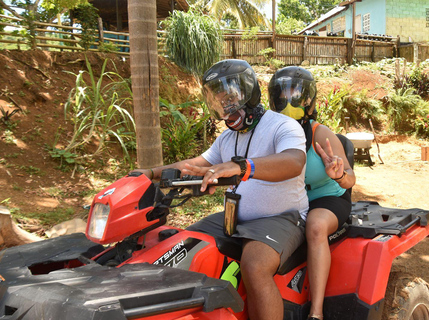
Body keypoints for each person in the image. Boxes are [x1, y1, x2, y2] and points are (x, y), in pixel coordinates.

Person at [133, 59, 309, 320]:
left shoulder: (282, 126)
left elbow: (294, 162)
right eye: (220, 100)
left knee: (255, 266)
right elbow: (194, 165)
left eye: (231, 97)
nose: (226, 106)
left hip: (282, 218)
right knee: (182, 246)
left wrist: (242, 167)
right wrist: (149, 174)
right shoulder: (226, 138)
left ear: (250, 93)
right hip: (234, 219)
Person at [268, 66, 356, 320]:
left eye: (294, 94)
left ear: (308, 99)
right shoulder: (271, 133)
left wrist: (338, 173)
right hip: (291, 199)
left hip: (327, 198)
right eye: (281, 94)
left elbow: (350, 180)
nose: (287, 100)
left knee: (316, 226)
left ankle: (316, 312)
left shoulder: (320, 133)